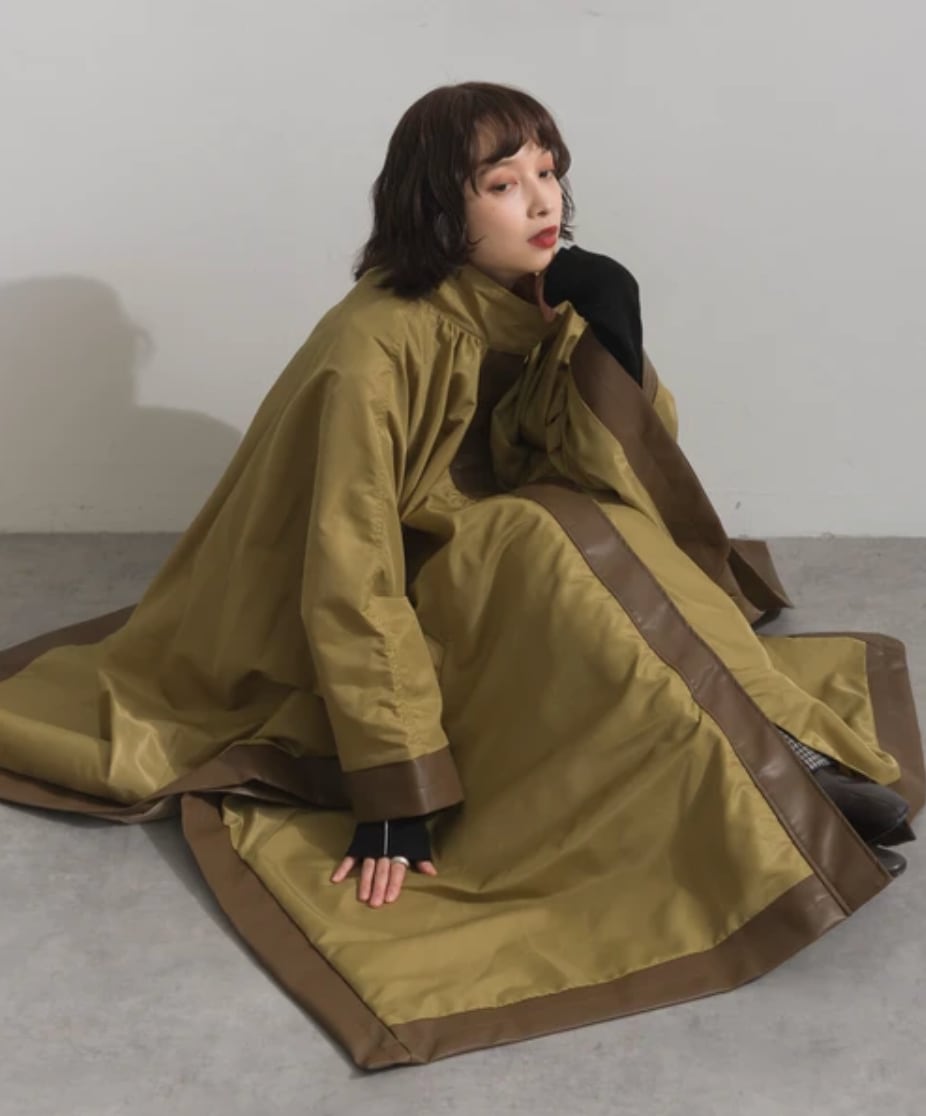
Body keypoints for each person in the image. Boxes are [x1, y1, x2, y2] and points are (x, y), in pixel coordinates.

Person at [0, 82, 921, 1069]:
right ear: (439, 203)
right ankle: (773, 771)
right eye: (502, 182)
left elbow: (604, 473)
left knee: (585, 530)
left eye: (547, 171)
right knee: (549, 540)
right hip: (381, 611)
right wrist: (397, 784)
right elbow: (346, 569)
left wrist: (612, 333)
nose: (542, 200)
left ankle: (774, 750)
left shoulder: (532, 297)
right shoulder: (370, 347)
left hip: (493, 562)